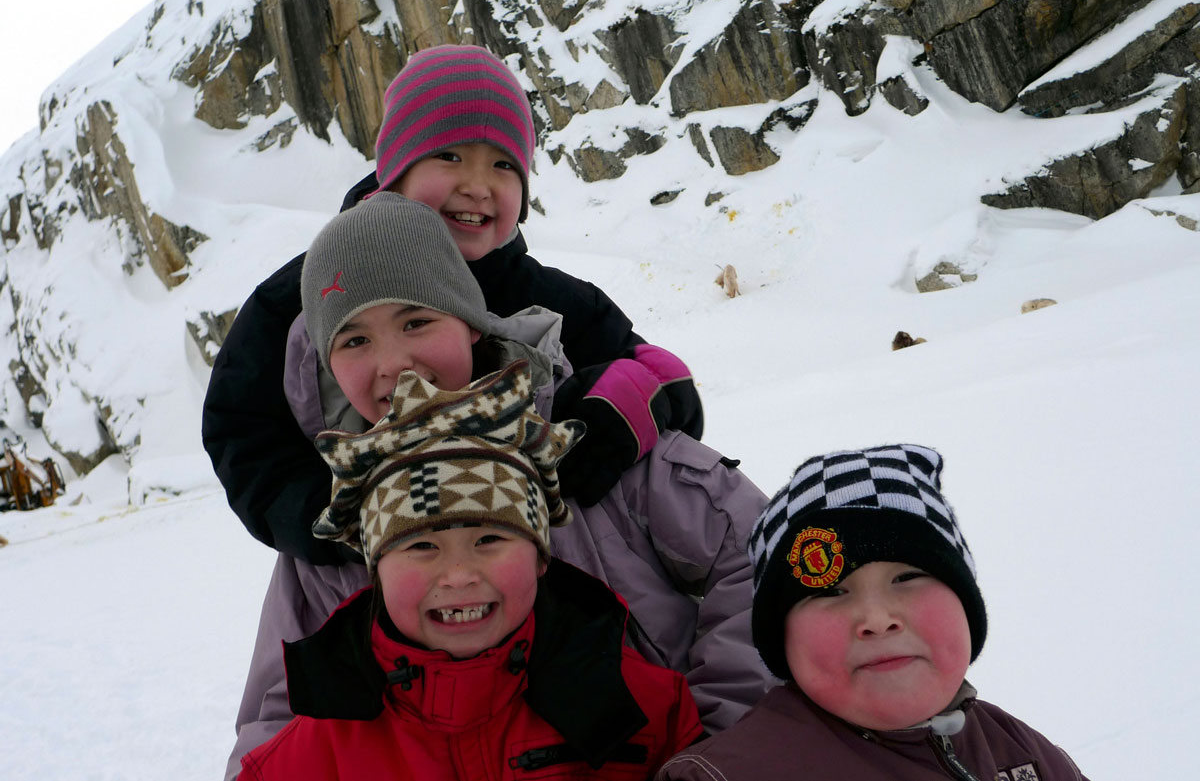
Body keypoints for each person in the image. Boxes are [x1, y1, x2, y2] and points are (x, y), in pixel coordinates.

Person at [224, 194, 773, 779]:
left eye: (417, 320)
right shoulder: (330, 520)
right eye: (355, 340)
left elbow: (761, 559)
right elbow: (278, 719)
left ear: (467, 320)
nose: (394, 364)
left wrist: (721, 744)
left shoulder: (589, 437)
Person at [202, 43, 703, 567]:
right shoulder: (305, 297)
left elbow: (657, 377)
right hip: (373, 589)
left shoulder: (549, 299)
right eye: (450, 155)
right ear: (393, 171)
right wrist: (336, 516)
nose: (478, 185)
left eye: (504, 165)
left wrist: (618, 412)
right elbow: (241, 430)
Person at [237, 360, 704, 780]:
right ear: (375, 571)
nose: (458, 575)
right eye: (421, 545)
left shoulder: (647, 707)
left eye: (489, 539)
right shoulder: (315, 753)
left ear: (542, 556)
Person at [657, 444, 1090, 781]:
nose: (878, 618)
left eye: (906, 578)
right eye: (831, 592)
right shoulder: (726, 774)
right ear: (780, 638)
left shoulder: (1017, 749)